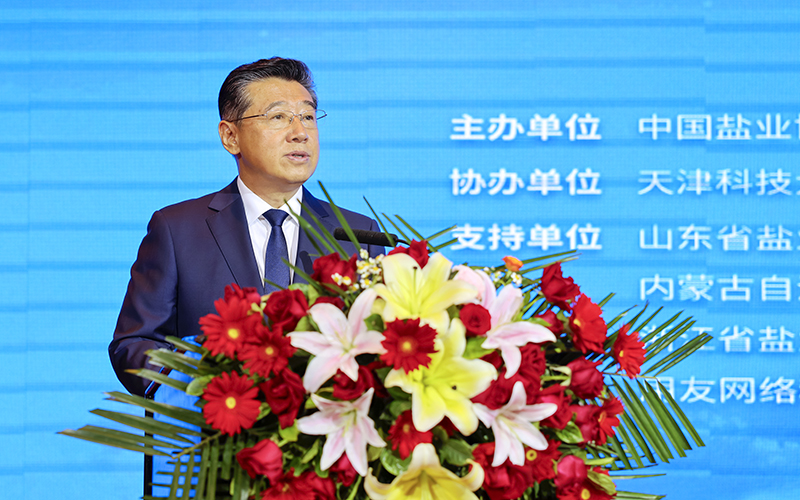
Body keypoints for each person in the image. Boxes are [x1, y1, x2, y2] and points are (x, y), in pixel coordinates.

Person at [109, 57, 383, 397]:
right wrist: (203, 384)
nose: (300, 133)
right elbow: (135, 342)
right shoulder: (177, 230)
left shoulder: (356, 235)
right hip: (217, 420)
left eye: (308, 117)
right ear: (230, 136)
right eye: (278, 117)